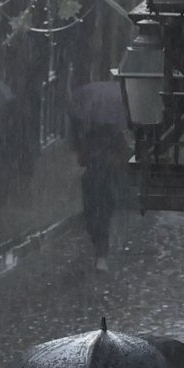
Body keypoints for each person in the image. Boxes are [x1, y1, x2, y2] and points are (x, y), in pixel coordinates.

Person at [69, 76, 131, 257]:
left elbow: (122, 156)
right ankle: (100, 246)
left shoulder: (113, 137)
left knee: (101, 216)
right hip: (95, 179)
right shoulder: (91, 136)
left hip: (107, 179)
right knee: (92, 217)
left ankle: (101, 251)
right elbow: (82, 158)